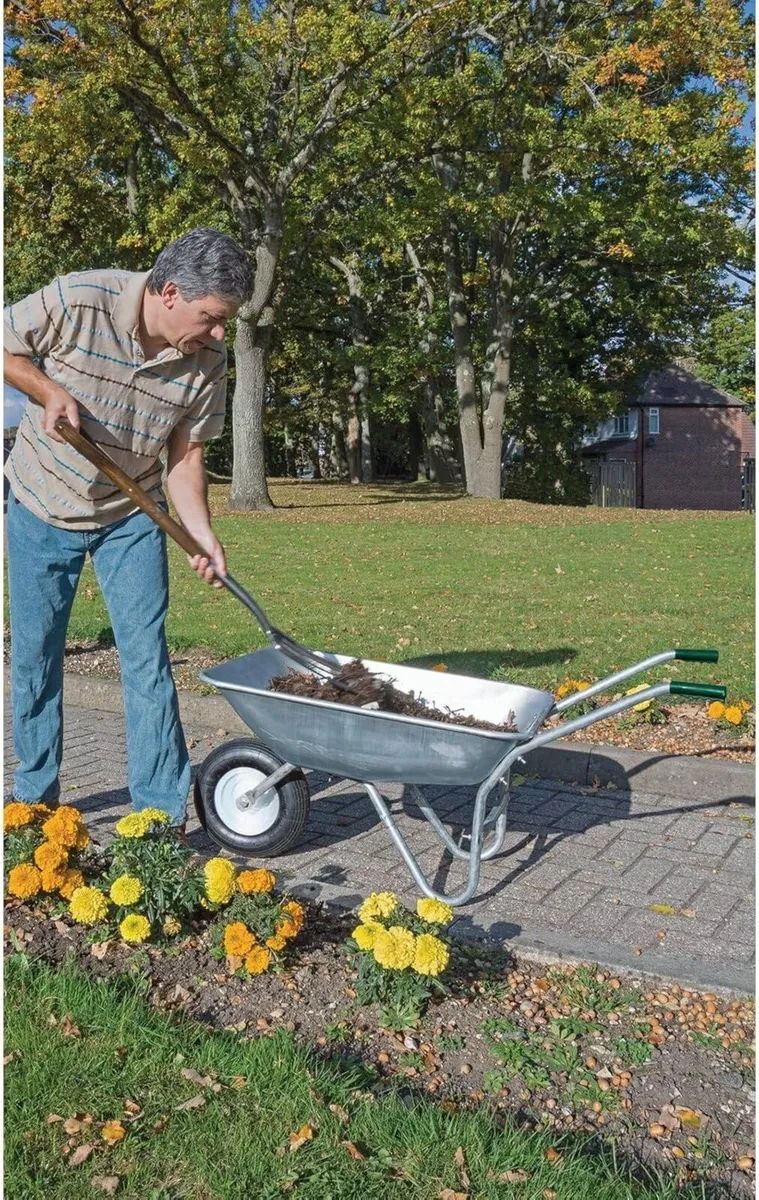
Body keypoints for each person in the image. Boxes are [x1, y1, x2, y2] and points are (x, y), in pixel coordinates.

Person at [3, 226, 254, 829]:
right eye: (212, 317)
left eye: (225, 322)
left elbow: (185, 460)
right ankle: (34, 802)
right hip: (41, 502)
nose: (219, 333)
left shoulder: (208, 360)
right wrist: (45, 388)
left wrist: (202, 535)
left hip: (130, 516)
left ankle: (159, 819)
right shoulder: (80, 298)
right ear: (170, 293)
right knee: (36, 656)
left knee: (146, 660)